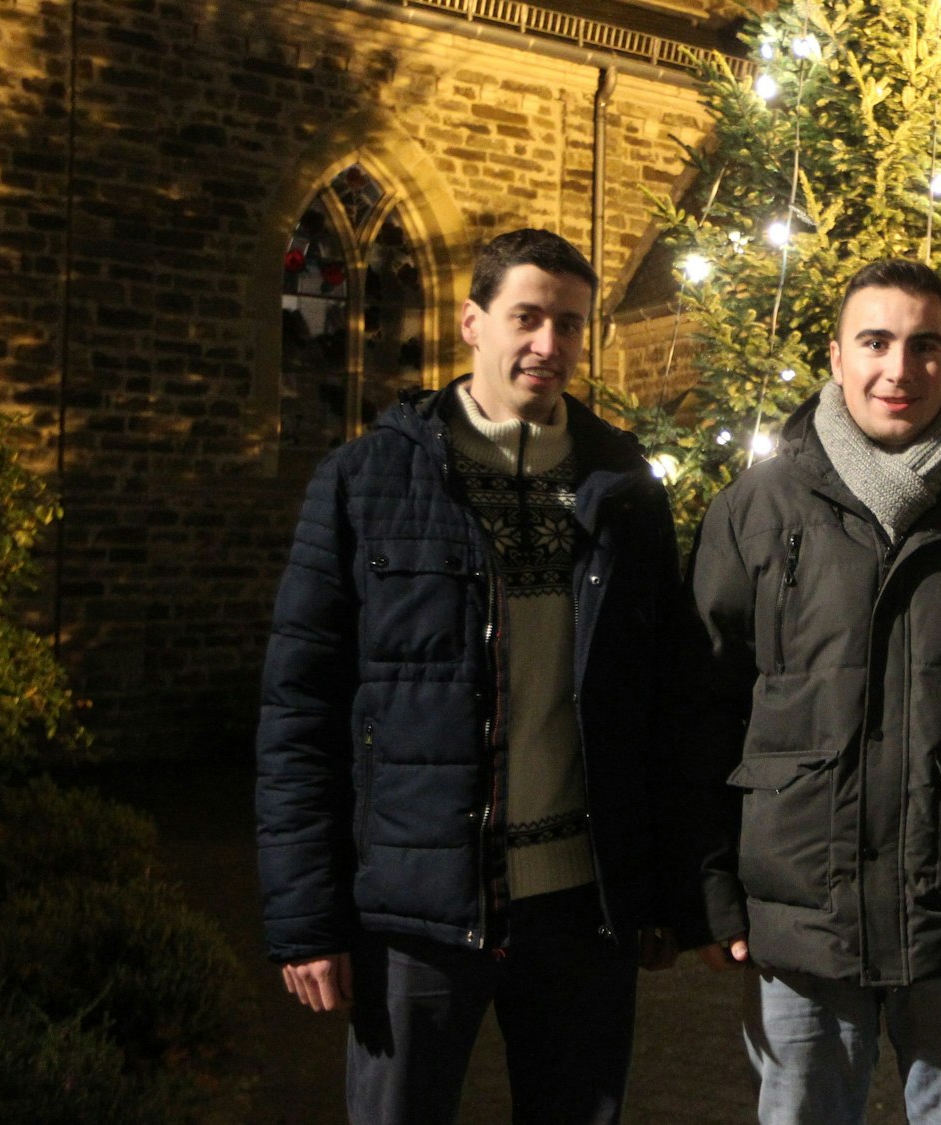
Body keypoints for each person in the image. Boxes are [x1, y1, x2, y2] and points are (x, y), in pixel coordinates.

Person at [255, 228, 704, 1125]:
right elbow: (299, 706)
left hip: (580, 910)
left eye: (569, 325)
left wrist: (665, 891)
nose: (548, 343)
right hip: (419, 908)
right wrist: (306, 916)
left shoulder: (623, 487)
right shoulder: (367, 479)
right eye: (527, 317)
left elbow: (664, 706)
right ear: (472, 322)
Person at [688, 258, 941, 1124]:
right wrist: (708, 885)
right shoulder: (755, 510)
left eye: (926, 345)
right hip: (802, 915)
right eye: (875, 341)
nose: (899, 368)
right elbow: (703, 707)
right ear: (836, 357)